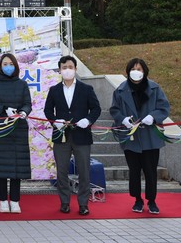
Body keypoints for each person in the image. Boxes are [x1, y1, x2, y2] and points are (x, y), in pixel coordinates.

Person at [109, 58, 170, 215]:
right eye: (133, 69)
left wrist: (153, 116)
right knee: (134, 170)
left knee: (150, 171)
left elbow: (164, 107)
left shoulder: (155, 88)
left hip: (150, 137)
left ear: (145, 71)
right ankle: (137, 199)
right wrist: (122, 119)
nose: (136, 72)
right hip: (131, 137)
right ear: (128, 71)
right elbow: (114, 109)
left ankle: (152, 200)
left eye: (140, 69)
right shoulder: (120, 90)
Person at [44, 55, 101, 216]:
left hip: (82, 135)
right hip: (61, 136)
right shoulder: (54, 90)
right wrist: (55, 121)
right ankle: (65, 202)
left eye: (70, 67)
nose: (67, 70)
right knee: (61, 170)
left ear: (75, 69)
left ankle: (83, 204)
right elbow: (48, 110)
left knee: (84, 170)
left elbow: (95, 109)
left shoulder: (86, 89)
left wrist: (88, 120)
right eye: (64, 67)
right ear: (60, 70)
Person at [0, 53, 32, 214]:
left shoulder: (22, 84)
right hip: (1, 129)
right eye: (5, 64)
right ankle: (3, 201)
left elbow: (27, 104)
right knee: (1, 167)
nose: (8, 66)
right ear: (0, 66)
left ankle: (16, 200)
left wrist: (24, 112)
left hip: (18, 128)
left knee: (17, 167)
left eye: (11, 63)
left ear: (16, 66)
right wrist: (4, 109)